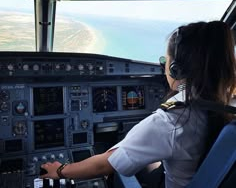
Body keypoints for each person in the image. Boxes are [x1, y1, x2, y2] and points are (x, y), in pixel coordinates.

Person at [40, 21, 236, 188]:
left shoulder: (171, 121)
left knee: (118, 170)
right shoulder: (228, 101)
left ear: (176, 69)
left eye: (165, 62)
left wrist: (59, 170)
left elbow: (104, 165)